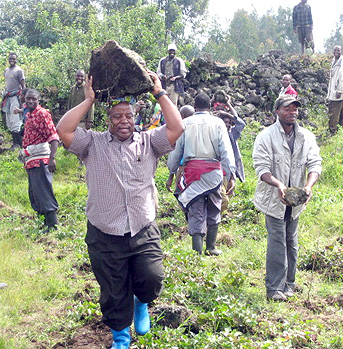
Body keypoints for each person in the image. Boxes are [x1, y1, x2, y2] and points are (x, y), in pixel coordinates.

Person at [56, 72, 184, 349]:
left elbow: (177, 128)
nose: (123, 121)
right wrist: (88, 99)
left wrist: (160, 94)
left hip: (142, 227)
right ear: (108, 120)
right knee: (113, 291)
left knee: (151, 278)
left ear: (135, 117)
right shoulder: (92, 144)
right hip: (105, 232)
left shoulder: (149, 142)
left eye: (128, 115)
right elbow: (64, 131)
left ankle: (142, 302)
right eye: (117, 116)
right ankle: (121, 338)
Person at [253, 94, 322, 301]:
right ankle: (274, 289)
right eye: (287, 109)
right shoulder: (266, 137)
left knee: (291, 241)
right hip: (274, 199)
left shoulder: (306, 137)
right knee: (277, 242)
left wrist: (308, 186)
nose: (292, 112)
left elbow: (315, 163)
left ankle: (289, 284)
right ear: (277, 111)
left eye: (295, 109)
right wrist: (279, 185)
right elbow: (261, 168)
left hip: (296, 200)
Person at [167, 93, 235, 256]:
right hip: (213, 173)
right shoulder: (217, 123)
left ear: (195, 107)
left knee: (195, 210)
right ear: (210, 107)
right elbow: (226, 149)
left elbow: (176, 151)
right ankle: (210, 247)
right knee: (214, 207)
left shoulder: (185, 123)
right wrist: (230, 174)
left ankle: (196, 253)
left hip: (192, 173)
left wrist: (171, 172)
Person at [20, 89, 59, 233]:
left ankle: (52, 225)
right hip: (31, 159)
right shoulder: (29, 114)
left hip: (40, 159)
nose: (30, 101)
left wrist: (52, 158)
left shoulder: (42, 113)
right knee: (35, 192)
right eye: (28, 99)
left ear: (38, 100)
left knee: (43, 191)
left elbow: (53, 136)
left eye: (33, 99)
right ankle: (43, 222)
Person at [215, 100, 246, 213]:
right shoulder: (216, 133)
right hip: (219, 166)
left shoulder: (232, 133)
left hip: (230, 166)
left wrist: (228, 108)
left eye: (229, 122)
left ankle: (223, 212)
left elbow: (241, 124)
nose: (227, 125)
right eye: (225, 122)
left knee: (229, 190)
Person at [2, 52, 25, 149]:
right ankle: (14, 143)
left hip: (16, 96)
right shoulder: (6, 71)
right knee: (9, 120)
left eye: (14, 59)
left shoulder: (19, 71)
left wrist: (23, 97)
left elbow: (23, 85)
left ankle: (19, 144)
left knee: (16, 120)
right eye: (10, 58)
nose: (12, 60)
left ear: (16, 59)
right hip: (8, 97)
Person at [327, 45, 343, 134]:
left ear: (341, 51)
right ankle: (340, 131)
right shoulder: (334, 61)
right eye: (335, 50)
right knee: (340, 113)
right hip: (334, 90)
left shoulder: (342, 62)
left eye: (338, 50)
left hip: (338, 92)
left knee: (333, 113)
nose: (336, 52)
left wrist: (339, 90)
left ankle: (332, 131)